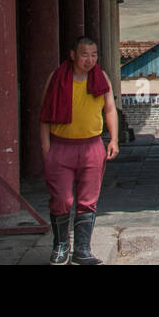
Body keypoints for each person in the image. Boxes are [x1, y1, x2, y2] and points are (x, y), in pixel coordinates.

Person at [40, 36, 118, 265]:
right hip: (61, 146)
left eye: (94, 55)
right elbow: (44, 116)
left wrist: (113, 139)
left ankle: (82, 249)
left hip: (92, 146)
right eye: (85, 55)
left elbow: (110, 109)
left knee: (88, 200)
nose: (90, 60)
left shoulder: (101, 78)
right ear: (73, 55)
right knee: (61, 199)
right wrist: (46, 148)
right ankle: (61, 245)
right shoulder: (56, 78)